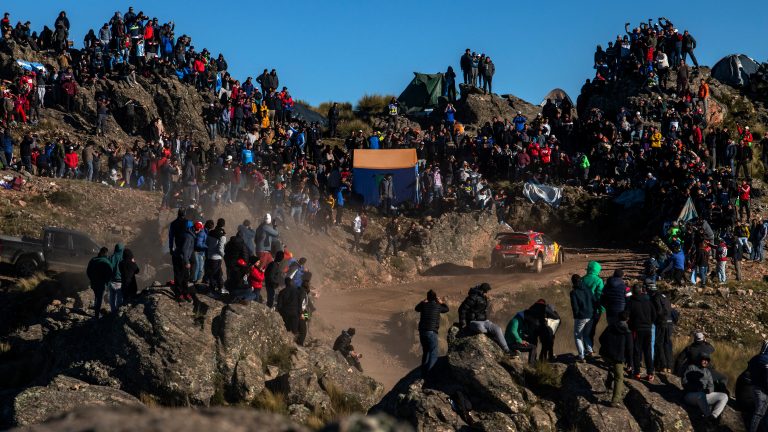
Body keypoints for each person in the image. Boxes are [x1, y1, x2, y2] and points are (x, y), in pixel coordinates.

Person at [459, 283, 510, 353]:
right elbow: (462, 309)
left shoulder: (483, 297)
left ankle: (507, 350)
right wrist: (463, 323)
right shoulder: (472, 297)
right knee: (480, 328)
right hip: (473, 321)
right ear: (484, 290)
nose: (487, 292)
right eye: (487, 290)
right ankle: (491, 334)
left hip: (484, 321)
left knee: (497, 329)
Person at [682, 352, 728, 425]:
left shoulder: (707, 372)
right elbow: (684, 383)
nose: (705, 362)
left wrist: (708, 390)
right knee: (701, 395)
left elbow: (711, 386)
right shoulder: (691, 368)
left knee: (724, 396)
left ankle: (713, 416)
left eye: (707, 360)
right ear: (699, 359)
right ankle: (708, 416)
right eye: (704, 360)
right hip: (690, 395)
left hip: (703, 396)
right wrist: (696, 389)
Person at [599, 311, 632, 408]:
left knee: (611, 367)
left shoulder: (610, 327)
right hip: (618, 357)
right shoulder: (627, 332)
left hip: (606, 354)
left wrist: (608, 347)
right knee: (619, 377)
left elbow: (601, 338)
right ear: (627, 319)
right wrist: (630, 363)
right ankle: (615, 400)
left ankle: (608, 385)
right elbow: (629, 348)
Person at [416, 289, 449, 376]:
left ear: (427, 298)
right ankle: (430, 373)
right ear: (435, 298)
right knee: (433, 352)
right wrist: (441, 302)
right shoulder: (438, 306)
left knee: (426, 351)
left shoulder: (423, 305)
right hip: (431, 332)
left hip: (422, 332)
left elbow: (416, 308)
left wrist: (422, 302)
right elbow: (446, 309)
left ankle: (424, 373)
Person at [628, 284, 656, 381]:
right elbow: (654, 314)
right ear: (641, 291)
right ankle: (650, 373)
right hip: (647, 328)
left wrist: (630, 324)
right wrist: (650, 322)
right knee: (648, 351)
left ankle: (637, 373)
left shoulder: (631, 302)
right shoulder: (648, 301)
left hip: (637, 329)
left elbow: (626, 314)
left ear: (633, 291)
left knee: (637, 351)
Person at [570, 274, 595, 362]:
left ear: (573, 282)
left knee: (577, 336)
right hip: (591, 315)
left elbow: (575, 306)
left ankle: (581, 356)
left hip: (581, 316)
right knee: (586, 335)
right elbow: (594, 300)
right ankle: (590, 351)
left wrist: (576, 316)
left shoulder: (574, 292)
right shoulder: (588, 289)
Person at [580, 261, 604, 347]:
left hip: (583, 308)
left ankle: (584, 347)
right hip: (595, 309)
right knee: (592, 330)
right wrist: (601, 308)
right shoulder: (599, 280)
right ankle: (589, 348)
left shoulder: (582, 279)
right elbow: (600, 295)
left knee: (584, 330)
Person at [86, 247, 112, 319]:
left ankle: (96, 313)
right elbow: (110, 273)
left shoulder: (93, 260)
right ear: (106, 253)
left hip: (94, 283)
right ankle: (97, 315)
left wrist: (92, 279)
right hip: (101, 283)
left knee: (96, 296)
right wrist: (107, 283)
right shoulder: (107, 262)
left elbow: (88, 271)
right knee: (99, 298)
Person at [278, 262, 302, 336]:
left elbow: (279, 305)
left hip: (285, 312)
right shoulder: (297, 291)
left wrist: (280, 312)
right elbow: (300, 302)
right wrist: (300, 312)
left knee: (286, 329)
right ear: (291, 282)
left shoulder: (282, 292)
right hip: (295, 313)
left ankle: (286, 340)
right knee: (294, 330)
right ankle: (295, 339)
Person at [748, 341, 768, 432]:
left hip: (756, 386)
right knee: (759, 413)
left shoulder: (756, 358)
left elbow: (750, 365)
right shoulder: (765, 360)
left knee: (762, 413)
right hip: (761, 389)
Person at [205, 218, 226, 295]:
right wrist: (224, 256)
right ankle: (212, 289)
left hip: (209, 256)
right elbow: (220, 249)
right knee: (215, 274)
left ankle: (219, 287)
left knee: (217, 273)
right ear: (223, 225)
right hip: (216, 257)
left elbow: (207, 243)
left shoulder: (211, 232)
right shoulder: (222, 236)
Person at [297, 272, 314, 346]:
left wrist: (307, 316)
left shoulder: (303, 292)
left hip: (303, 312)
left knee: (307, 320)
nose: (310, 287)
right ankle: (299, 344)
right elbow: (301, 304)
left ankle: (300, 341)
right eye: (309, 286)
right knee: (303, 331)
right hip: (300, 313)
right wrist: (302, 314)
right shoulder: (303, 293)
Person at [108, 243, 125, 312]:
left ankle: (112, 312)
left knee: (112, 298)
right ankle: (117, 314)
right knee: (119, 299)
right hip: (120, 282)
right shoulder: (123, 259)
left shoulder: (110, 257)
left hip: (111, 281)